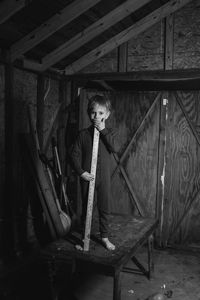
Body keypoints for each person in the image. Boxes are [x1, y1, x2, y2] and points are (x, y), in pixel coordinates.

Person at [70, 94, 119, 251]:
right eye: (93, 112)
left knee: (105, 207)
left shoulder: (110, 134)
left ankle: (104, 237)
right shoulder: (83, 135)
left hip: (103, 178)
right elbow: (73, 155)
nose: (96, 116)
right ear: (88, 113)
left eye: (100, 113)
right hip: (87, 178)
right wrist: (81, 172)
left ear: (107, 114)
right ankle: (85, 239)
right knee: (86, 208)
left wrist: (103, 131)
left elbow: (115, 148)